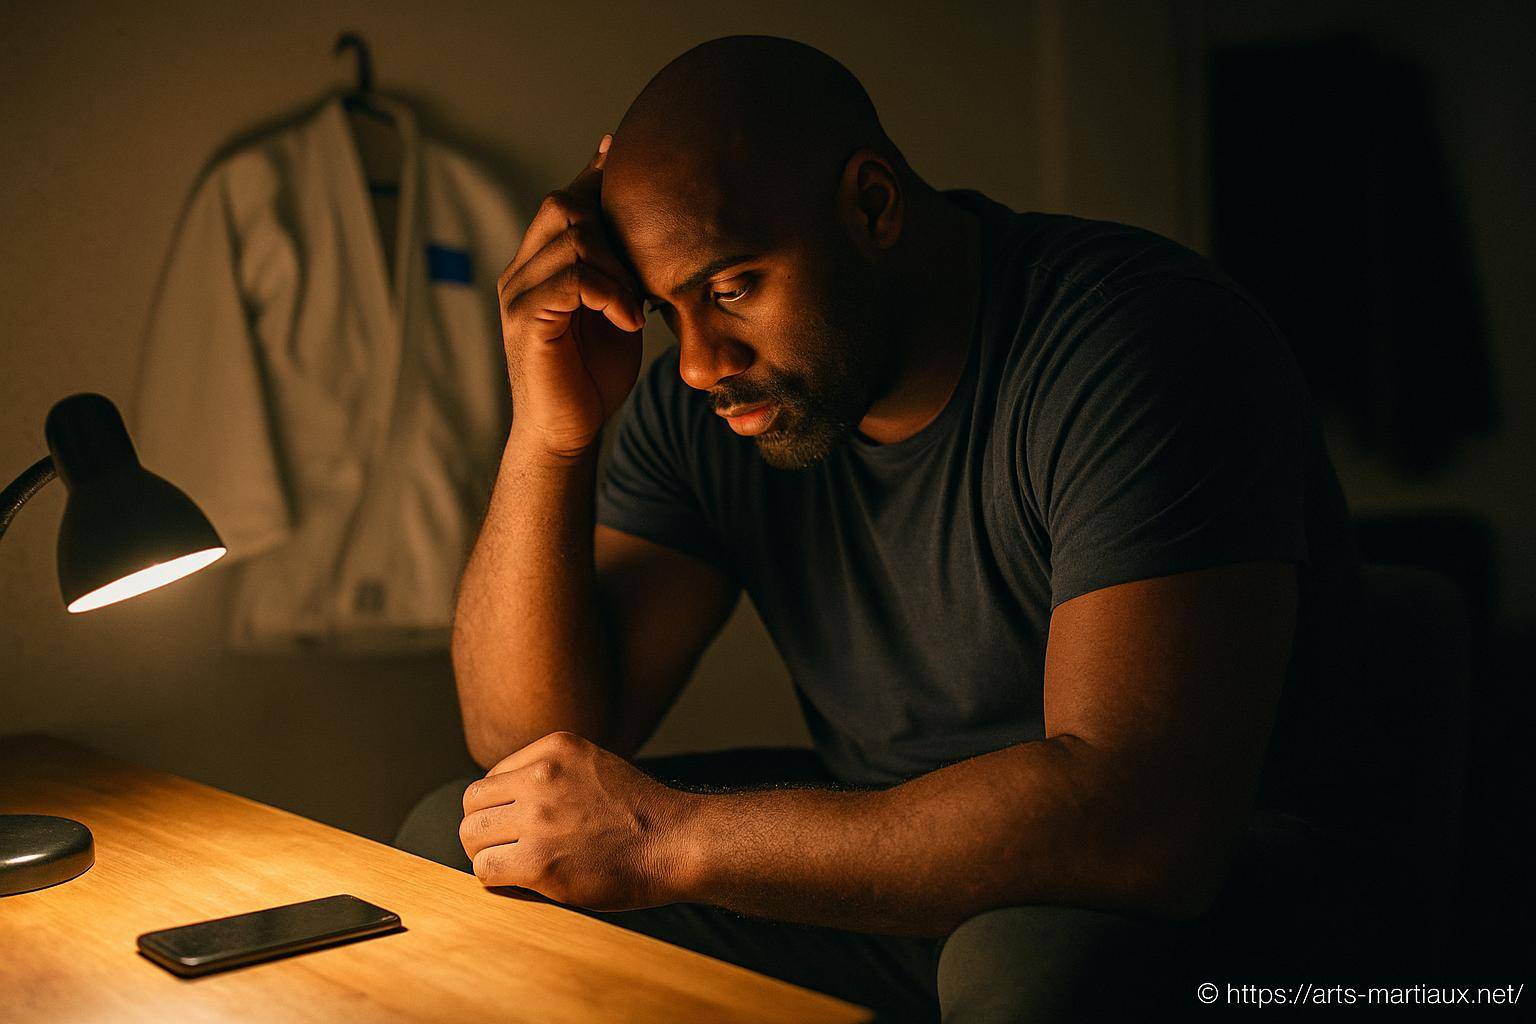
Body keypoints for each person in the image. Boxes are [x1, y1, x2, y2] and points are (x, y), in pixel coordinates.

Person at [396, 35, 1364, 1022]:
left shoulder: (1134, 342)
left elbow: (1141, 824)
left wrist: (667, 839)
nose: (696, 363)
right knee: (475, 843)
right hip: (898, 880)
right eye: (663, 311)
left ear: (871, 205)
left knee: (1022, 964)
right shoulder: (715, 404)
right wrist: (548, 436)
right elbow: (529, 744)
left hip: (1200, 902)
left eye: (730, 289)